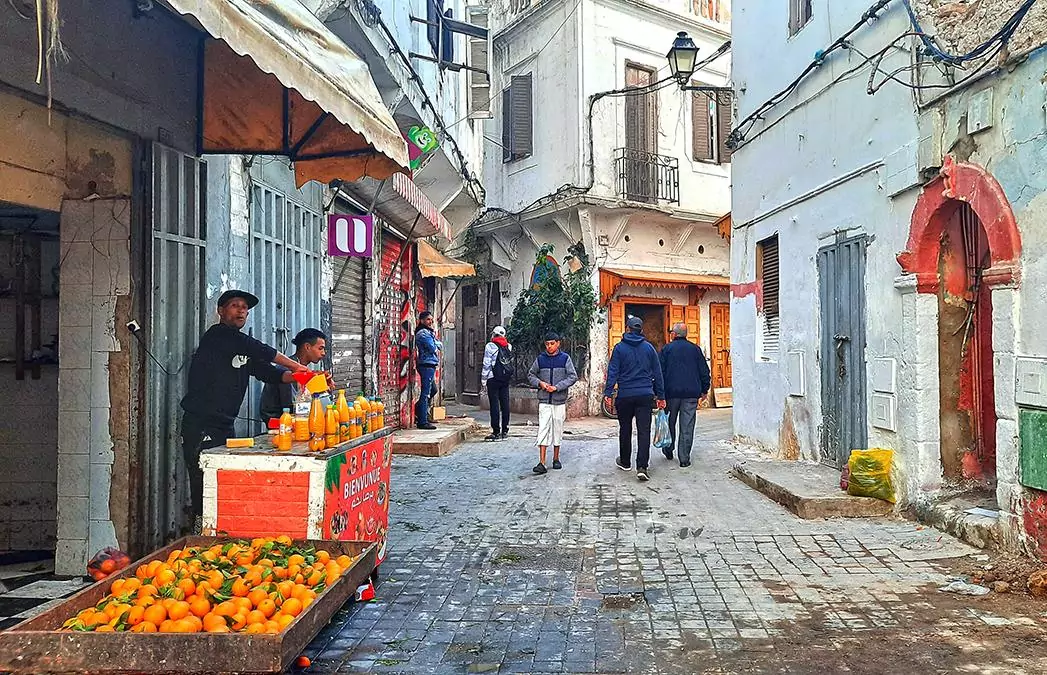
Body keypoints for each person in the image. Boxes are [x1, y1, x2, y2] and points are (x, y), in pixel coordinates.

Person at [180, 290, 310, 527]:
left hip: (224, 426)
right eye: (234, 305)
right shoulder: (218, 336)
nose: (241, 311)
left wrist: (304, 377)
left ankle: (217, 533)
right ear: (220, 311)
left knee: (220, 483)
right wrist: (297, 366)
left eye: (244, 308)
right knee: (202, 484)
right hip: (201, 425)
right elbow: (261, 350)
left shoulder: (241, 347)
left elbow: (269, 373)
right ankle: (199, 533)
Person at [603, 316, 665, 482]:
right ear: (641, 330)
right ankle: (642, 466)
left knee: (625, 428)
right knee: (644, 431)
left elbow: (613, 371)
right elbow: (658, 374)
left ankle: (625, 461)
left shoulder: (619, 348)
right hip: (645, 395)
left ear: (627, 329)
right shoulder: (649, 348)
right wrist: (661, 396)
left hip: (625, 395)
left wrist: (608, 393)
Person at [659, 323, 711, 467]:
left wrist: (659, 393)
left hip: (671, 394)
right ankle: (684, 458)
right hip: (690, 394)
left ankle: (668, 449)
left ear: (674, 334)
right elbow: (704, 371)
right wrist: (704, 389)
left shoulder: (666, 349)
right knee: (687, 425)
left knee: (670, 422)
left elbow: (660, 372)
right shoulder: (695, 349)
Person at [527, 331, 579, 475]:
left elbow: (573, 376)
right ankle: (542, 462)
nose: (549, 346)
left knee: (557, 428)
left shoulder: (565, 359)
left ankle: (556, 458)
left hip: (559, 400)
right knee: (543, 429)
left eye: (552, 344)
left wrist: (557, 387)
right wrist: (540, 384)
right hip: (544, 400)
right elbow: (531, 374)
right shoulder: (540, 359)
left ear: (558, 343)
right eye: (547, 344)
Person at [259, 328, 333, 421]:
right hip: (282, 424)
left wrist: (323, 384)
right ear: (307, 347)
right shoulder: (286, 370)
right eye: (320, 348)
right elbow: (292, 405)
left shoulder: (304, 370)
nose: (323, 353)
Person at [480, 325, 513, 441]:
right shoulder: (508, 346)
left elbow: (486, 364)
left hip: (493, 378)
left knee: (494, 404)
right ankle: (505, 430)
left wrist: (483, 380)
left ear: (493, 334)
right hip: (505, 378)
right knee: (505, 404)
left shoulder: (490, 346)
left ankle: (496, 431)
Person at [414, 310, 442, 430]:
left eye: (431, 319)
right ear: (421, 321)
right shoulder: (423, 333)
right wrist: (436, 344)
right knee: (426, 393)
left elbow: (437, 345)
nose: (430, 322)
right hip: (426, 364)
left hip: (430, 364)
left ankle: (420, 411)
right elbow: (433, 348)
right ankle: (422, 421)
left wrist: (436, 343)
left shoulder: (428, 332)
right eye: (427, 319)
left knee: (433, 390)